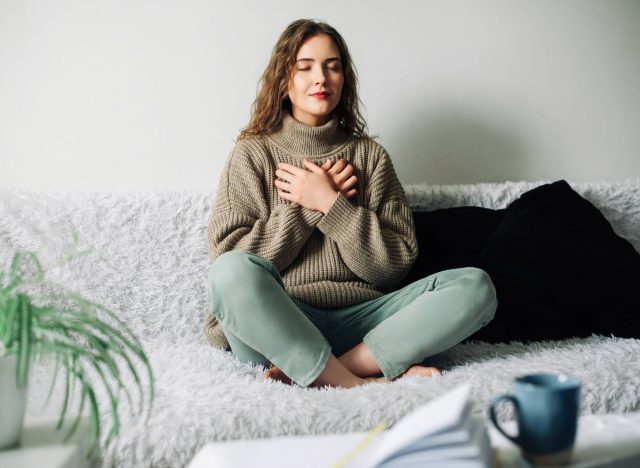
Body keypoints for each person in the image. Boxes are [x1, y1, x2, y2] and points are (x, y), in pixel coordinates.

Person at [205, 19, 497, 389]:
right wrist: (305, 208)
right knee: (229, 272)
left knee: (476, 287)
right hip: (282, 325)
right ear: (283, 79)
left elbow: (391, 268)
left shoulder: (370, 157)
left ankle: (331, 371)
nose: (321, 78)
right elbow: (230, 258)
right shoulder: (252, 154)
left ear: (345, 78)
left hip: (369, 324)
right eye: (305, 66)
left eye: (333, 65)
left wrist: (333, 205)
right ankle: (358, 381)